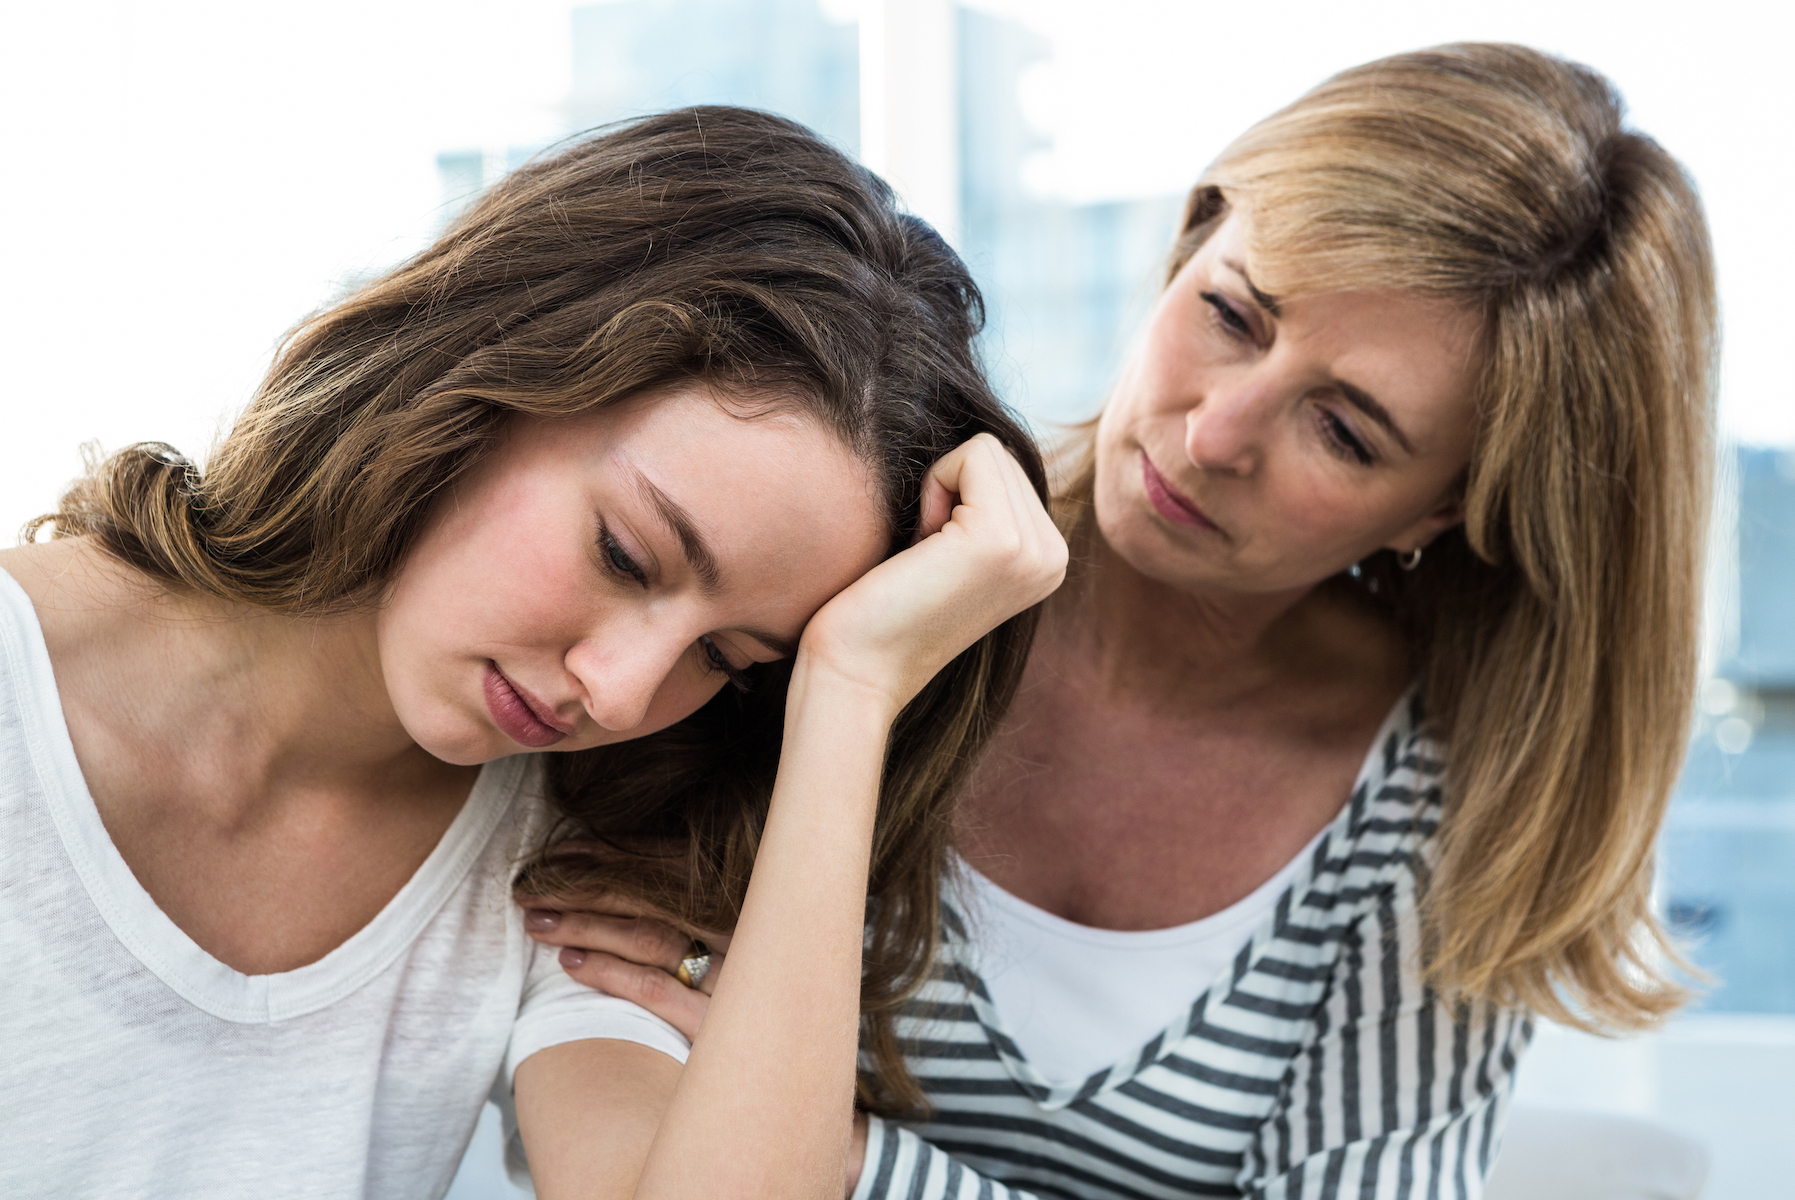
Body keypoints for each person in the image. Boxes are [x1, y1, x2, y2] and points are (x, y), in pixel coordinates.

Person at [526, 44, 1717, 1198]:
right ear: (1191, 241)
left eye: (1344, 431)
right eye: (1235, 315)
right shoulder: (864, 568)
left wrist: (843, 1159)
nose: (1213, 434)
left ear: (1447, 507)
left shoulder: (1435, 813)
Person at [0, 106, 1066, 1200]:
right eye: (624, 553)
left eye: (730, 660)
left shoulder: (563, 870)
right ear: (488, 368)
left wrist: (851, 687)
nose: (619, 688)